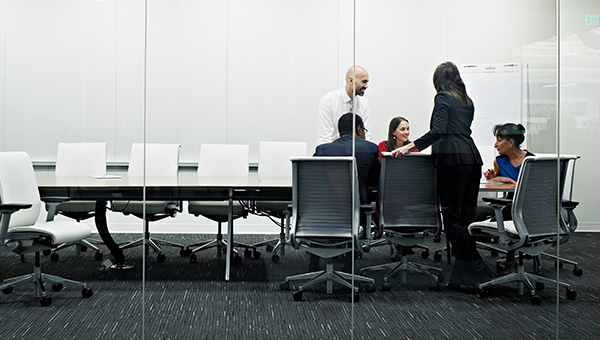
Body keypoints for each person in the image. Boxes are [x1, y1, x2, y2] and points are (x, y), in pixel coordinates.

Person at [391, 61, 493, 290]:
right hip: (472, 159)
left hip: (452, 161)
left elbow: (439, 131)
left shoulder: (443, 98)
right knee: (465, 219)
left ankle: (476, 267)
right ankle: (462, 275)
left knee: (452, 217)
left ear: (438, 81)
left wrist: (409, 147)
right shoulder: (467, 101)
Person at [311, 112, 380, 272]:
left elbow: (314, 180)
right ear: (359, 129)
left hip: (321, 213)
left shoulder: (322, 150)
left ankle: (313, 264)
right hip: (355, 212)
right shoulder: (370, 148)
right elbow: (375, 180)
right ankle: (349, 267)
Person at [483, 123, 534, 272]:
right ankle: (511, 258)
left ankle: (510, 259)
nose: (495, 144)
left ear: (510, 142)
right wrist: (494, 177)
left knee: (507, 214)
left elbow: (534, 188)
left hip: (530, 204)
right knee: (507, 211)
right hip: (511, 203)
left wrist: (511, 181)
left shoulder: (531, 160)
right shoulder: (499, 161)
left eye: (499, 140)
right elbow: (498, 179)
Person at [317, 65, 372, 144]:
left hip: (358, 152)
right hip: (335, 153)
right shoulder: (329, 101)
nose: (366, 86)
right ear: (350, 81)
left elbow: (367, 135)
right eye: (364, 81)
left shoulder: (364, 103)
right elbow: (324, 137)